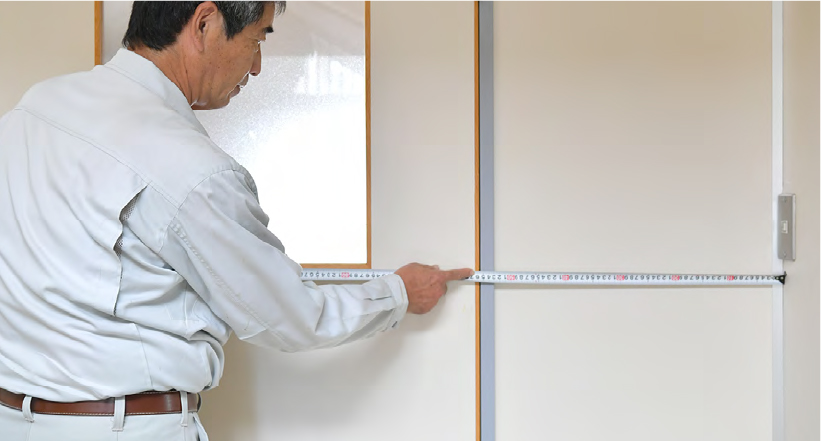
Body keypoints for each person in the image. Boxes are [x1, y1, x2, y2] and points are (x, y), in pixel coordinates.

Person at [0, 2, 473, 440]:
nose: (257, 65)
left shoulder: (35, 108)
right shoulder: (192, 170)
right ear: (205, 24)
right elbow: (291, 316)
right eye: (258, 39)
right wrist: (398, 292)